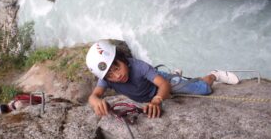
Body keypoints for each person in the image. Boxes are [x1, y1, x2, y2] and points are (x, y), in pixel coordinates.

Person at [86, 40, 239, 119]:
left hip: (160, 85)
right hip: (150, 93)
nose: (116, 75)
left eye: (117, 67)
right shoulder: (107, 79)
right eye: (110, 75)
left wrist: (157, 100)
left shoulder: (139, 67)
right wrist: (97, 102)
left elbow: (163, 84)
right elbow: (93, 96)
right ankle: (175, 74)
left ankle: (214, 75)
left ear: (122, 58)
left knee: (204, 89)